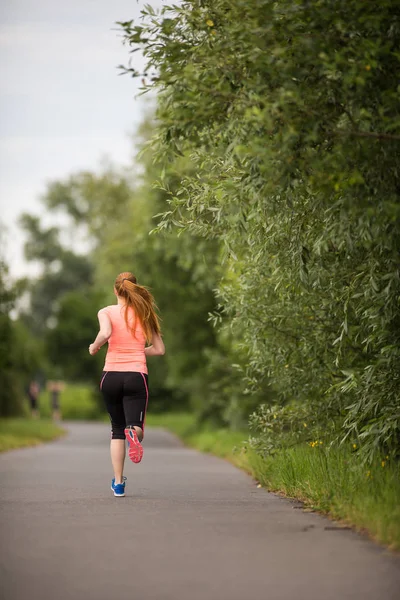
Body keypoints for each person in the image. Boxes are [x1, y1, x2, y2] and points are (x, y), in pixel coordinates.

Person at [89, 272, 165, 497]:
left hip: (110, 376)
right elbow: (160, 349)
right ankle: (134, 432)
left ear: (115, 291)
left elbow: (106, 332)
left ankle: (119, 483)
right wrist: (136, 351)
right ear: (135, 288)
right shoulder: (144, 313)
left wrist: (94, 347)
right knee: (134, 427)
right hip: (135, 375)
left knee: (116, 431)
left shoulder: (105, 311)